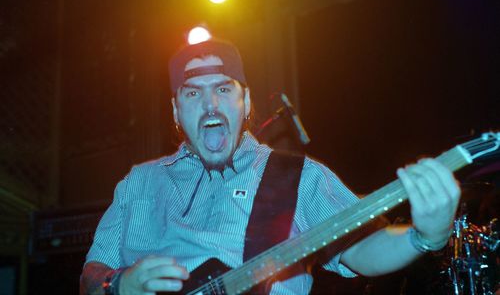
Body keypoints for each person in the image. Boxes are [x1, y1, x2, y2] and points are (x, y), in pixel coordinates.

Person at [80, 38, 461, 295]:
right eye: (193, 93)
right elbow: (90, 275)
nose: (210, 104)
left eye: (224, 89)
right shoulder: (139, 182)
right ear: (176, 111)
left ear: (245, 104)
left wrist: (425, 235)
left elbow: (362, 251)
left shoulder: (297, 176)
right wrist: (118, 286)